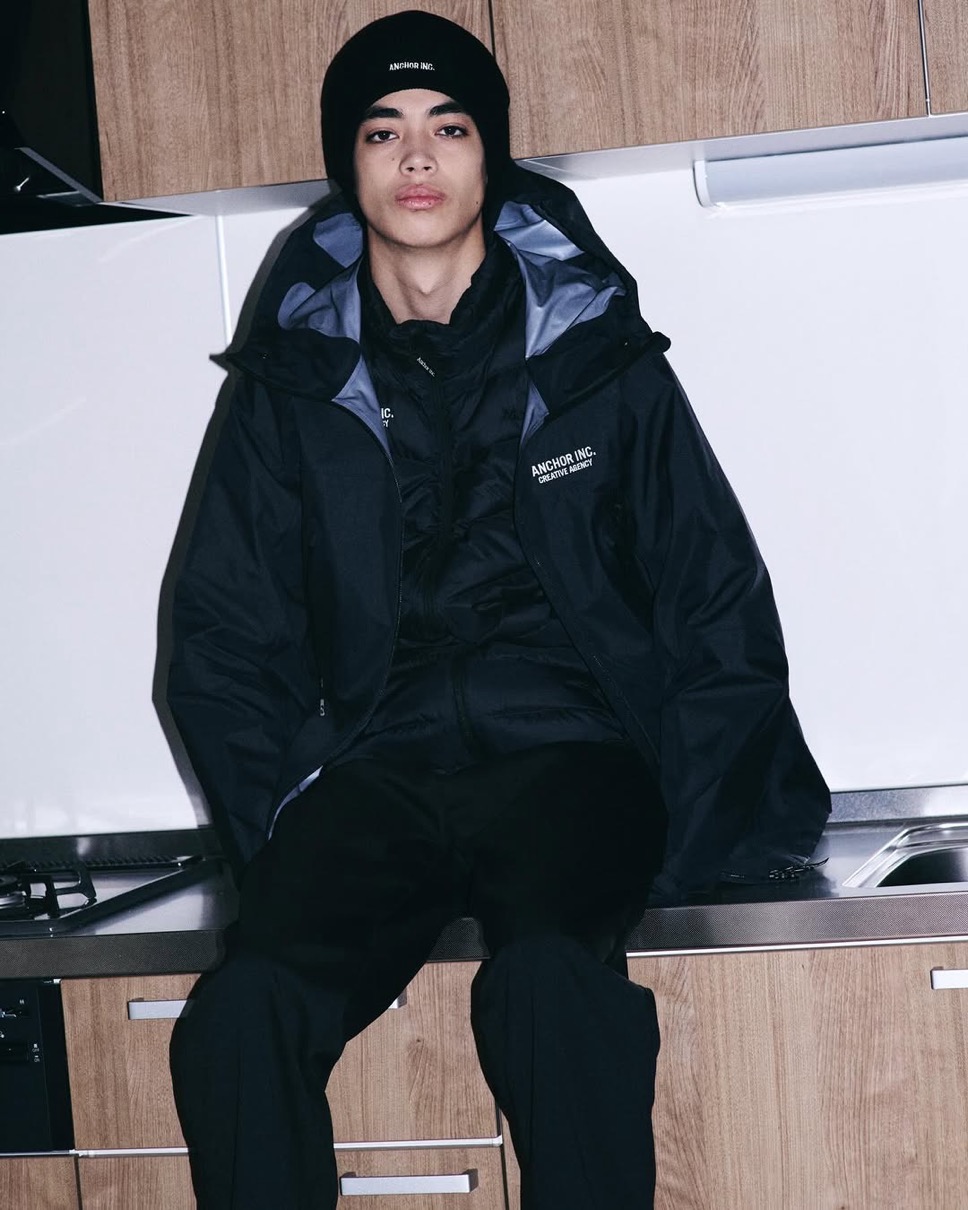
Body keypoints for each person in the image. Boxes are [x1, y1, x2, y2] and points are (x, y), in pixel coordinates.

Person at [167, 11, 830, 1209]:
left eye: (449, 127)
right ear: (348, 162)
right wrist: (280, 829)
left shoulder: (593, 358)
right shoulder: (293, 382)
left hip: (569, 757)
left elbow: (713, 592)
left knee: (545, 981)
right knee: (239, 1010)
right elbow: (222, 631)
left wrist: (682, 824)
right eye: (383, 131)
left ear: (490, 157)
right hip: (379, 772)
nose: (416, 158)